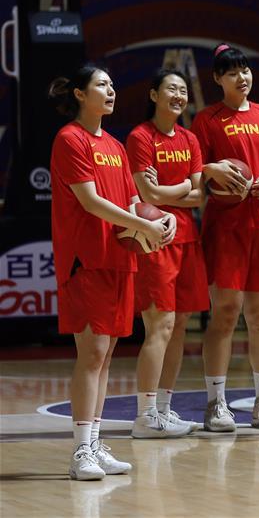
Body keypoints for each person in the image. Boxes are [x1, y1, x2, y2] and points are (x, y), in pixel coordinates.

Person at [49, 64, 176, 479]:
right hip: (85, 261)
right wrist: (144, 225)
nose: (111, 90)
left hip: (117, 259)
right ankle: (81, 450)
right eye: (101, 84)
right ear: (81, 94)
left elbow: (130, 201)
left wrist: (162, 220)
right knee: (91, 355)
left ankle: (95, 441)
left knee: (104, 359)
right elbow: (90, 202)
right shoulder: (70, 139)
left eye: (113, 85)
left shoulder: (116, 147)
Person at [192, 43, 259, 432]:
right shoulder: (206, 120)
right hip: (225, 227)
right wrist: (212, 168)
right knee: (224, 313)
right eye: (232, 72)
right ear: (218, 78)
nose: (242, 77)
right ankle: (216, 403)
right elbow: (195, 169)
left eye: (245, 69)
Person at [126, 69, 208, 438]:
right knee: (159, 326)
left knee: (179, 327)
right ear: (154, 94)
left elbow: (199, 195)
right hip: (155, 238)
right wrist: (176, 191)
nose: (178, 95)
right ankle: (145, 415)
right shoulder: (140, 137)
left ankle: (164, 408)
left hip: (189, 239)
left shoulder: (190, 138)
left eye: (183, 90)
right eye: (171, 89)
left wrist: (166, 191)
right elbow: (147, 195)